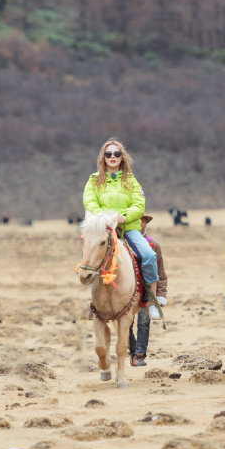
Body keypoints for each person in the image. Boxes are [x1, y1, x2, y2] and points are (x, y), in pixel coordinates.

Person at [82, 138, 161, 321]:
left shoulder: (131, 180)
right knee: (90, 258)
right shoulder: (93, 181)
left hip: (128, 228)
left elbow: (139, 205)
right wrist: (107, 219)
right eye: (108, 154)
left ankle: (152, 300)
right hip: (103, 228)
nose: (112, 157)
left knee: (148, 256)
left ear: (122, 158)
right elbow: (90, 203)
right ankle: (95, 303)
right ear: (103, 157)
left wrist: (123, 217)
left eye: (116, 154)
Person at [127, 215, 167, 367]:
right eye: (137, 221)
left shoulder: (153, 245)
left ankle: (140, 355)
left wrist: (161, 295)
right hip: (128, 291)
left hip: (148, 290)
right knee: (127, 324)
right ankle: (132, 350)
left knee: (144, 323)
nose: (140, 224)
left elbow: (161, 273)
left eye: (143, 221)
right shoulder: (124, 244)